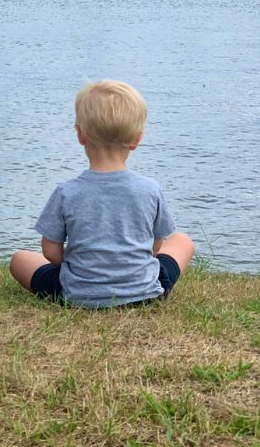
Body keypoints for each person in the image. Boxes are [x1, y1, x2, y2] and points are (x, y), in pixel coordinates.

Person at [10, 80, 194, 308]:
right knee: (182, 241)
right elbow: (156, 247)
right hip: (145, 293)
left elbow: (50, 250)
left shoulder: (66, 192)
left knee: (19, 259)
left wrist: (82, 263)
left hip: (78, 293)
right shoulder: (150, 189)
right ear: (137, 139)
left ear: (80, 135)